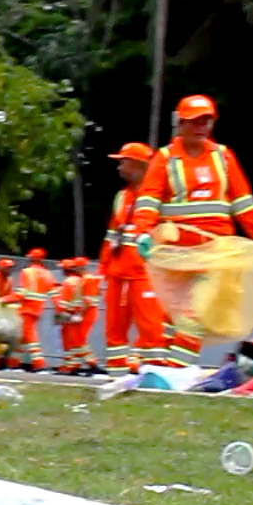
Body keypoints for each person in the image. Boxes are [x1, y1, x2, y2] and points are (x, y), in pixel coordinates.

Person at [130, 95, 253, 366]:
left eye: (207, 120)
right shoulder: (165, 158)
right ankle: (162, 370)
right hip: (178, 252)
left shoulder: (223, 156)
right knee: (173, 316)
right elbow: (148, 199)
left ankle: (177, 369)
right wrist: (142, 231)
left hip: (217, 251)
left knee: (197, 312)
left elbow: (243, 201)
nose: (201, 126)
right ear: (181, 124)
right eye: (195, 121)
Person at [100, 142, 166, 376]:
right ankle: (117, 374)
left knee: (151, 327)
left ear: (139, 165)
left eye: (123, 161)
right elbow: (112, 235)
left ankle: (153, 375)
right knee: (114, 328)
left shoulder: (160, 198)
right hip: (119, 273)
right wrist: (104, 270)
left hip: (145, 274)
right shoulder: (122, 196)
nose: (119, 166)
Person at [13, 249, 57, 372]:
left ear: (31, 258)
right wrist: (60, 309)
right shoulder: (48, 274)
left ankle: (39, 363)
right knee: (23, 337)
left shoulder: (26, 272)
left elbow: (21, 293)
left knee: (30, 335)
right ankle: (13, 363)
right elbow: (54, 294)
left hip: (27, 308)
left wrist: (5, 299)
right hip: (38, 308)